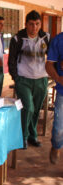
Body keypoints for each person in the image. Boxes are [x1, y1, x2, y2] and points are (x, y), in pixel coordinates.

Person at [8, 10, 50, 149]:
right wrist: (16, 78)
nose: (35, 28)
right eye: (31, 24)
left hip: (41, 79)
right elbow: (11, 60)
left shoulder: (46, 38)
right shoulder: (17, 39)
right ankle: (23, 137)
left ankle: (33, 136)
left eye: (37, 24)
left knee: (36, 109)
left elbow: (52, 57)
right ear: (26, 24)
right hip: (23, 79)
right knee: (28, 108)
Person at [45, 32, 63, 164]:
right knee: (58, 129)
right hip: (62, 93)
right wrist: (58, 78)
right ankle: (56, 145)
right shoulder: (58, 40)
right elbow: (49, 65)